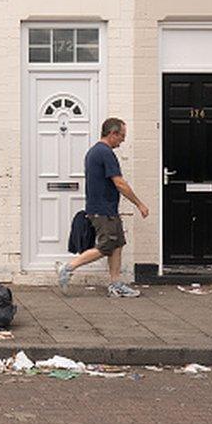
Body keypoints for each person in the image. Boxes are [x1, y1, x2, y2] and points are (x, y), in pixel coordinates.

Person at [56, 117, 148, 297]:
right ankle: (67, 268)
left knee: (117, 244)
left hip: (104, 208)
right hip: (103, 210)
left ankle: (115, 284)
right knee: (107, 246)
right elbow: (119, 183)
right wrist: (139, 204)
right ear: (112, 134)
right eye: (121, 136)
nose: (123, 140)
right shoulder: (105, 153)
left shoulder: (94, 152)